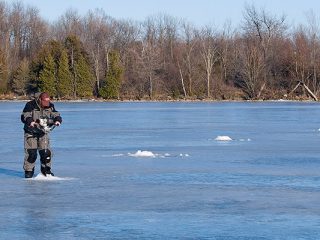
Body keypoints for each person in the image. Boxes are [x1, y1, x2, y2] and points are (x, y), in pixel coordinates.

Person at [21, 92, 62, 178]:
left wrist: (57, 120)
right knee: (31, 154)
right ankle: (28, 171)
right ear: (40, 99)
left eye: (47, 102)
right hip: (30, 132)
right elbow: (25, 115)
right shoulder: (30, 104)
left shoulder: (50, 105)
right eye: (44, 102)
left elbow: (55, 114)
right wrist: (30, 121)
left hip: (43, 132)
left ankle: (46, 170)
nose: (46, 104)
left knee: (46, 153)